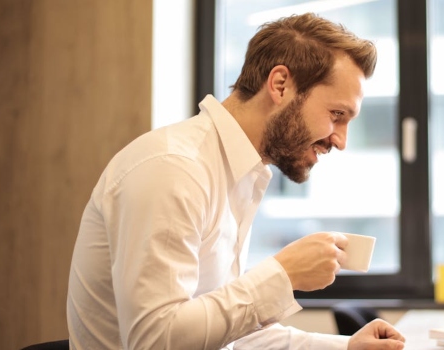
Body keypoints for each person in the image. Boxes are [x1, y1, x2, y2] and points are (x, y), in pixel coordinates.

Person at [66, 12, 406, 350]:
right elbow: (155, 341)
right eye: (336, 115)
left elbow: (228, 334)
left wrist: (346, 347)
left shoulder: (242, 174)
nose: (341, 140)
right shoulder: (174, 169)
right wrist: (281, 274)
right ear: (280, 85)